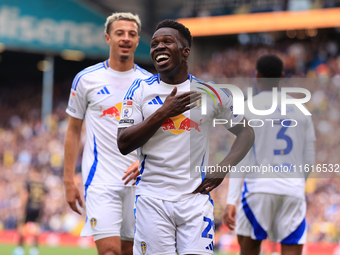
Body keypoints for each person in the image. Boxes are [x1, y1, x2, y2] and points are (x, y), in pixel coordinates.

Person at [117, 19, 254, 255]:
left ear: (185, 51)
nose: (158, 47)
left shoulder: (210, 93)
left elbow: (247, 132)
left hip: (195, 200)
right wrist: (163, 112)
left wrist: (222, 169)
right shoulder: (139, 90)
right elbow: (123, 143)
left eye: (167, 42)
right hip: (152, 199)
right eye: (154, 44)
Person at [63, 12, 152, 255]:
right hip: (100, 181)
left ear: (137, 40)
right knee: (109, 251)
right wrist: (69, 180)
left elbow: (156, 134)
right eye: (120, 33)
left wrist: (146, 162)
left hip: (139, 182)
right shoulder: (86, 79)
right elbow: (73, 130)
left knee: (128, 252)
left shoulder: (149, 83)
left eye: (132, 34)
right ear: (107, 38)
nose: (126, 38)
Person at [223, 55, 316, 255]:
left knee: (249, 248)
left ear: (257, 76)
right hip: (292, 189)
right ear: (282, 76)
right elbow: (309, 158)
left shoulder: (247, 109)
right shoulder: (302, 109)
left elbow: (240, 157)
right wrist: (298, 183)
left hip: (259, 188)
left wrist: (232, 200)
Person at [12, 169, 47, 255]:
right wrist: (42, 209)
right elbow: (43, 199)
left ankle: (20, 249)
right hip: (38, 207)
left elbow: (26, 195)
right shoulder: (41, 185)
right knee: (36, 228)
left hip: (29, 207)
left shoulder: (29, 183)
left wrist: (22, 208)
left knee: (21, 226)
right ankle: (34, 249)